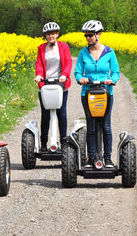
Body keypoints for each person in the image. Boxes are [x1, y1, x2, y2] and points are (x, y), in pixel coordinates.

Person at [74, 20, 120, 168]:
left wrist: (111, 80)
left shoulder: (109, 52)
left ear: (98, 34)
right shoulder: (83, 53)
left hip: (106, 92)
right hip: (88, 93)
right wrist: (80, 78)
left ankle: (107, 159)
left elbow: (116, 72)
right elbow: (77, 71)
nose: (88, 38)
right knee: (92, 126)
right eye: (86, 35)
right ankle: (91, 158)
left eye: (90, 35)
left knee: (106, 126)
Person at [35, 22, 72, 151]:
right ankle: (44, 144)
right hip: (45, 85)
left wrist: (65, 75)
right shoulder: (41, 48)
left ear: (57, 34)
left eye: (53, 33)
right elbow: (39, 64)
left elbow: (68, 63)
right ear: (46, 35)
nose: (51, 36)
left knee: (61, 114)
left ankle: (63, 143)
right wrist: (39, 75)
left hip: (61, 84)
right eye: (48, 34)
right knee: (45, 115)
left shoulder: (64, 47)